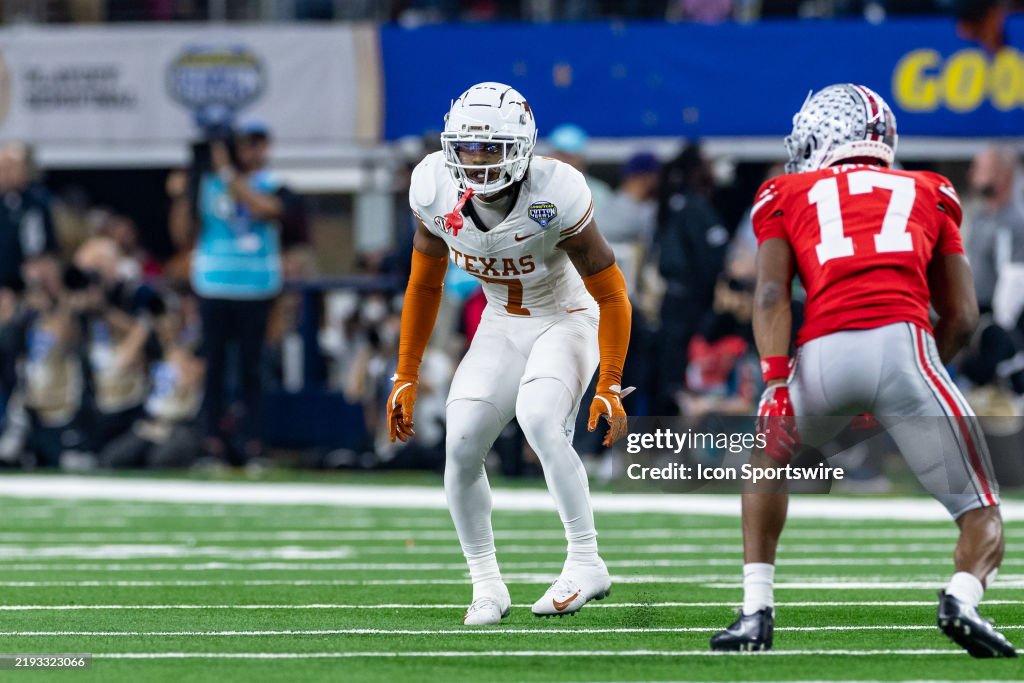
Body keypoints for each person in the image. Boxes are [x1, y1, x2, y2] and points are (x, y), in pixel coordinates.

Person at [711, 84, 1016, 658]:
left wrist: (777, 382)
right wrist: (920, 385)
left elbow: (773, 292)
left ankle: (755, 612)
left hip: (823, 353)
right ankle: (961, 598)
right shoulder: (932, 189)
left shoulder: (786, 191)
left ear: (824, 138)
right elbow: (965, 315)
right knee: (981, 513)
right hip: (905, 348)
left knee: (766, 461)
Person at [388, 82, 632, 625]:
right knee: (462, 439)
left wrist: (611, 382)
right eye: (468, 148)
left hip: (566, 318)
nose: (476, 161)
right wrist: (405, 373)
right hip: (501, 321)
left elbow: (612, 294)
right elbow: (424, 285)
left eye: (491, 148)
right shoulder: (432, 185)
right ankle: (486, 584)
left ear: (521, 148)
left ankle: (586, 559)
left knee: (541, 418)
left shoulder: (557, 191)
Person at [169, 121, 301, 464]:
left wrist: (228, 175)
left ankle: (253, 443)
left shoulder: (270, 183)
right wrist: (186, 191)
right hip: (214, 283)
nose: (251, 153)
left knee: (252, 370)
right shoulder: (208, 185)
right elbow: (183, 233)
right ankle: (212, 442)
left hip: (256, 286)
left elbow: (269, 210)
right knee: (213, 367)